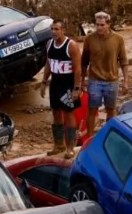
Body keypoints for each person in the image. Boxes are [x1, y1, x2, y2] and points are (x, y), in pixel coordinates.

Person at [81, 11, 129, 137]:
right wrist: (82, 80)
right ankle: (89, 139)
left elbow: (123, 61)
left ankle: (108, 136)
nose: (99, 28)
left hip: (112, 80)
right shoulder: (89, 39)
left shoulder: (118, 39)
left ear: (108, 24)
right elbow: (84, 61)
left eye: (102, 25)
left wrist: (126, 81)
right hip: (94, 80)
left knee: (111, 110)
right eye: (97, 25)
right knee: (92, 110)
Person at [40, 19, 82, 159]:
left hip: (67, 85)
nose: (54, 32)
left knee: (69, 114)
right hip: (55, 84)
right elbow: (48, 64)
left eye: (57, 29)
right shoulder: (49, 44)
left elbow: (77, 69)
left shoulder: (71, 46)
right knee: (56, 113)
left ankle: (70, 147)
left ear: (63, 30)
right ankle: (59, 145)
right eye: (52, 29)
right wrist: (43, 82)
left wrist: (77, 88)